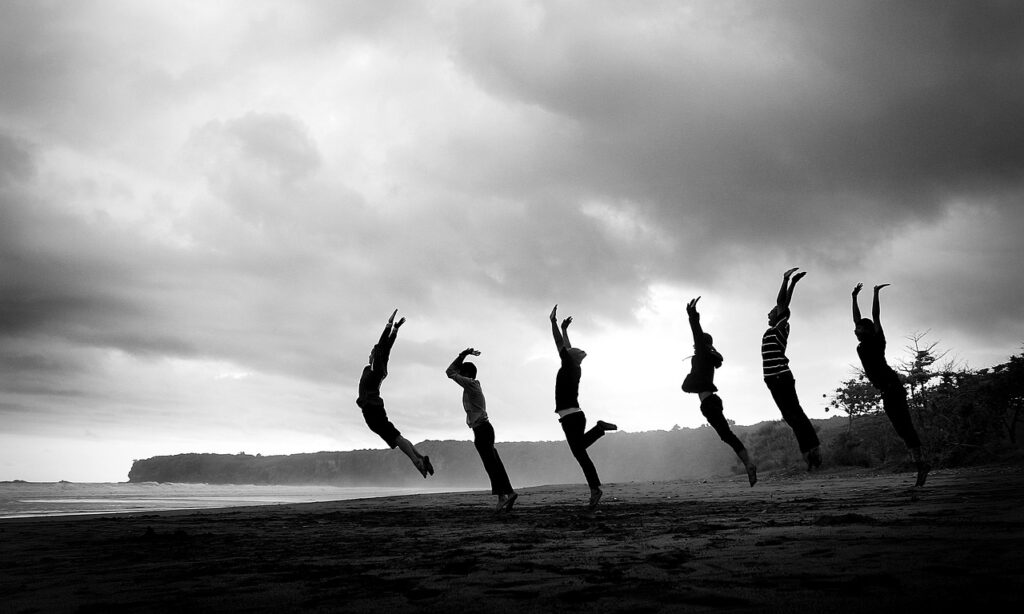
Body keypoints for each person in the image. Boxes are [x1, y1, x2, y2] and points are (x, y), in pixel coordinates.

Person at [852, 283, 930, 486]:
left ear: (868, 330)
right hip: (886, 391)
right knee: (901, 428)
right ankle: (920, 462)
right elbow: (856, 319)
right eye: (856, 328)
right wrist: (853, 298)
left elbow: (876, 317)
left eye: (860, 328)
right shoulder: (861, 343)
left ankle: (921, 462)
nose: (856, 329)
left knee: (906, 427)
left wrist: (875, 293)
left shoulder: (877, 341)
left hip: (893, 387)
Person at [682, 297, 757, 486]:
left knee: (727, 435)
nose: (693, 347)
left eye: (696, 345)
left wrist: (692, 315)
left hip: (709, 403)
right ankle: (748, 463)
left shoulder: (703, 353)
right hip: (712, 401)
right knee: (727, 435)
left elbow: (696, 334)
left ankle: (749, 463)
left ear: (702, 345)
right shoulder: (708, 358)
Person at [549, 305, 617, 510]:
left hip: (571, 417)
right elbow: (567, 348)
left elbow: (560, 344)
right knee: (580, 450)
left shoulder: (569, 365)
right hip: (575, 416)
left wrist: (553, 323)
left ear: (570, 357)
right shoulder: (574, 366)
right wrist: (565, 329)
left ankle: (595, 489)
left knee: (580, 454)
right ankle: (599, 429)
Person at [356, 309, 433, 478]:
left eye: (372, 353)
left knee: (396, 438)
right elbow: (386, 350)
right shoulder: (373, 369)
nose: (370, 353)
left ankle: (416, 461)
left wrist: (389, 325)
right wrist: (395, 331)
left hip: (372, 409)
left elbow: (381, 347)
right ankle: (420, 457)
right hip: (373, 408)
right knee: (397, 436)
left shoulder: (376, 370)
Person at [446, 348, 518, 513]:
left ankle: (503, 496)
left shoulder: (471, 385)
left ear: (466, 374)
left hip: (482, 430)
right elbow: (453, 371)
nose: (459, 376)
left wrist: (462, 355)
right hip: (484, 429)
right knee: (494, 464)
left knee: (491, 465)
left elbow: (450, 372)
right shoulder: (471, 387)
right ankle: (508, 493)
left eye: (462, 373)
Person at [763, 268, 822, 470]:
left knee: (795, 416)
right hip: (774, 380)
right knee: (792, 417)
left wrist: (787, 280)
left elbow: (782, 303)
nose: (769, 313)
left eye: (772, 311)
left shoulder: (781, 326)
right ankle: (811, 452)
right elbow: (782, 305)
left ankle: (812, 453)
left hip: (780, 377)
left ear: (780, 315)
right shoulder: (773, 329)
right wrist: (793, 283)